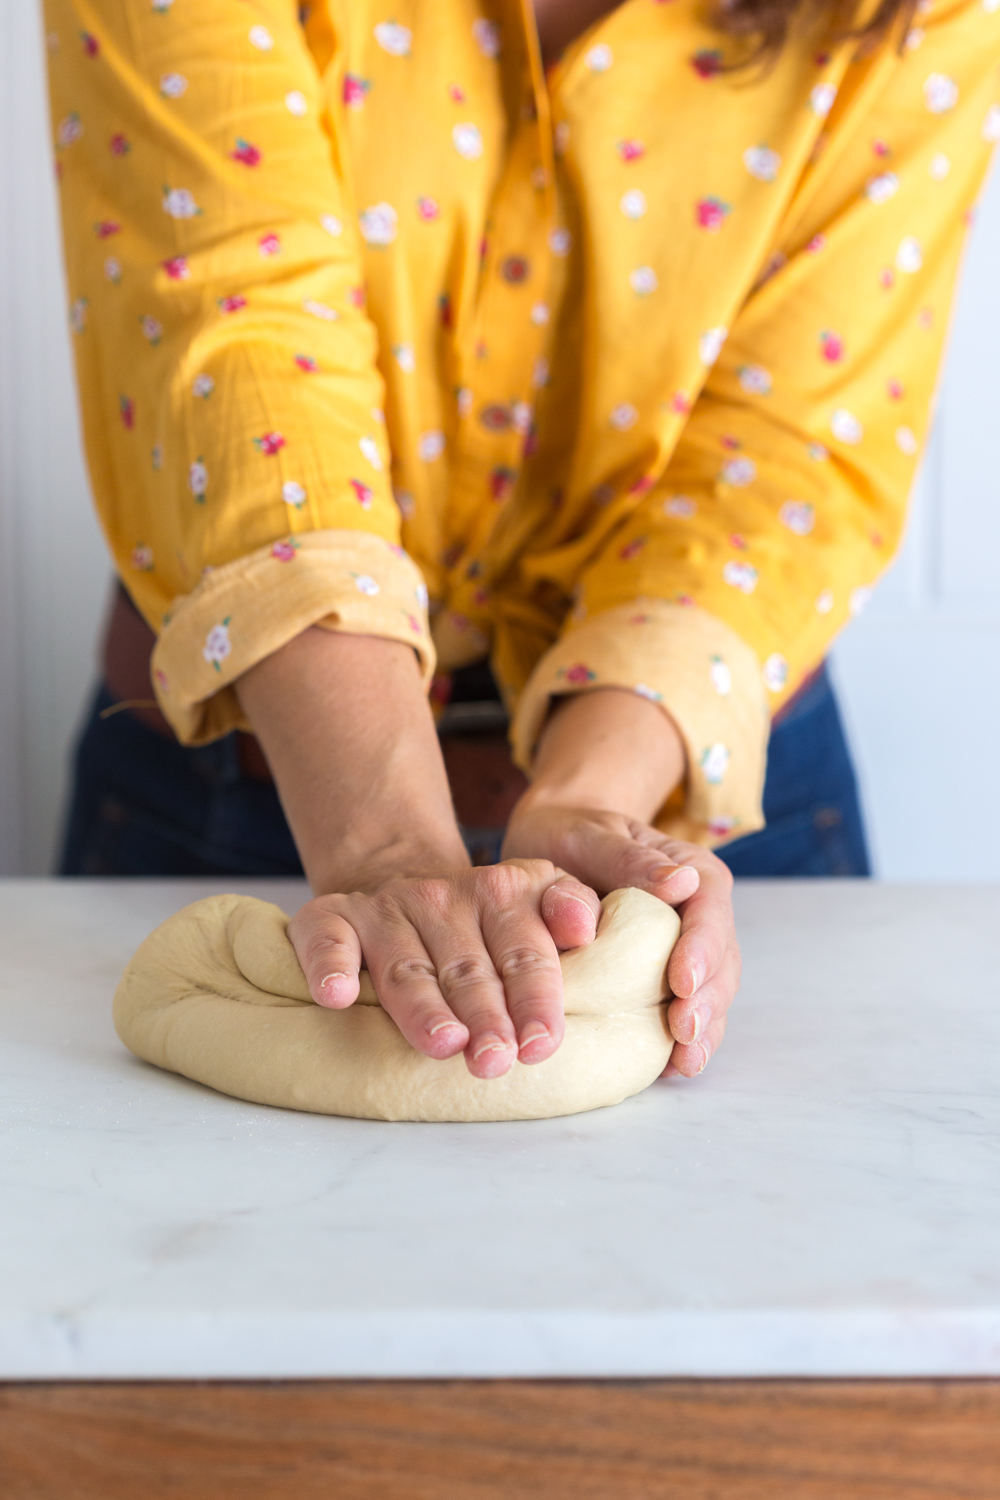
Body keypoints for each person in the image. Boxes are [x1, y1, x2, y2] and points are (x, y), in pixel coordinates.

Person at [46, 0, 999, 1082]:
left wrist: (592, 798)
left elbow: (781, 456)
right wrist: (388, 846)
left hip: (693, 797)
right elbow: (242, 336)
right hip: (238, 783)